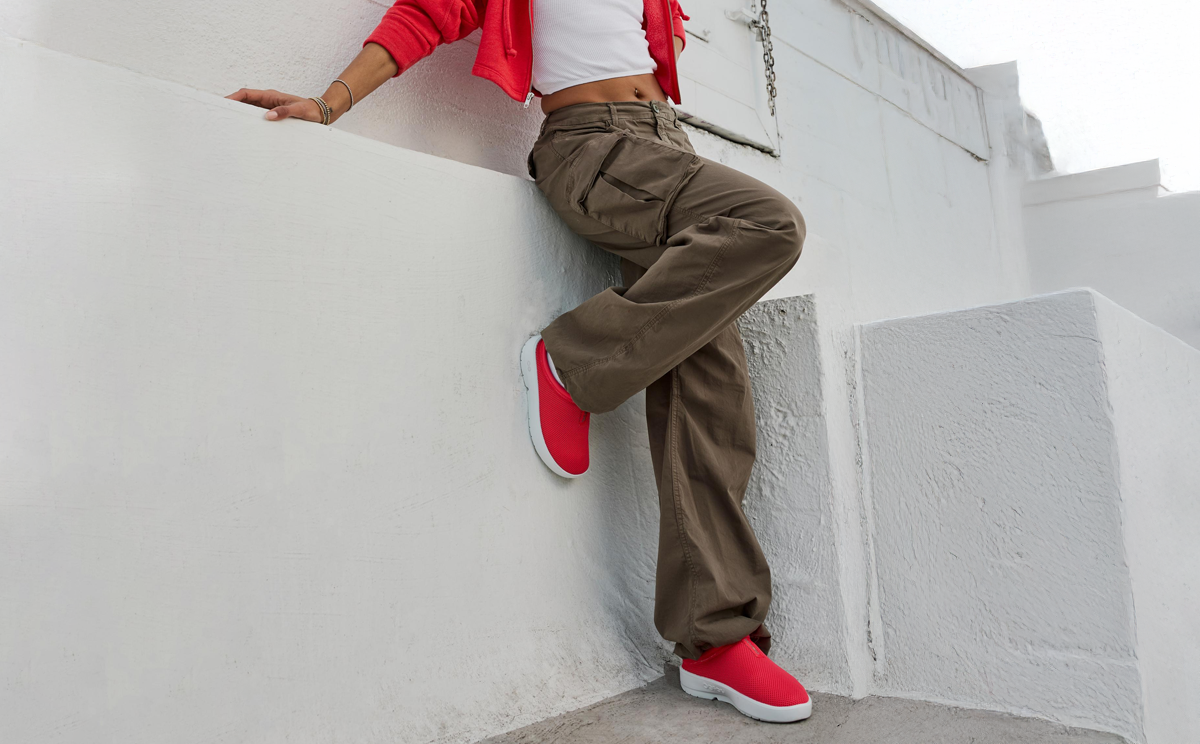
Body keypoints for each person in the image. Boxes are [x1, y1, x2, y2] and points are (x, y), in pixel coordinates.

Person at [227, 0, 810, 724]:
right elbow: (425, 15)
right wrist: (328, 103)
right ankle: (574, 362)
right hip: (592, 148)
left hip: (666, 143)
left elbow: (656, 40)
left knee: (711, 387)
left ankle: (714, 641)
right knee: (768, 223)